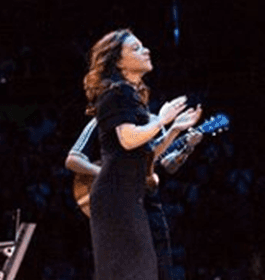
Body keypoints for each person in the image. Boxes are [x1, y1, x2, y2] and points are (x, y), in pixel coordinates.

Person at [80, 29, 201, 280]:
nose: (146, 51)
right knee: (134, 272)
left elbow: (146, 155)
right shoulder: (117, 92)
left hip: (127, 195)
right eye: (135, 48)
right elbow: (127, 139)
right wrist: (161, 120)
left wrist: (175, 129)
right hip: (116, 197)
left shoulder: (130, 95)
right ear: (118, 62)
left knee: (141, 271)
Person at [66, 111, 203, 279]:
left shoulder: (155, 122)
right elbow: (72, 160)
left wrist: (187, 147)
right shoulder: (103, 120)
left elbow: (167, 164)